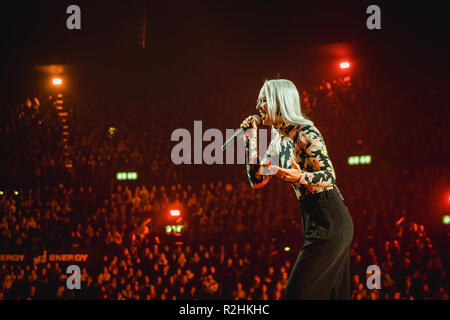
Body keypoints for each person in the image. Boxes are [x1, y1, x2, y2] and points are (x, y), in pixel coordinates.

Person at [241, 79, 354, 299]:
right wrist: (250, 140)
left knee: (298, 294)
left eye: (263, 100)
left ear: (278, 102)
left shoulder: (305, 132)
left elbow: (330, 176)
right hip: (313, 219)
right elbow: (257, 180)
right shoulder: (278, 140)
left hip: (330, 219)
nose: (258, 106)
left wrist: (300, 176)